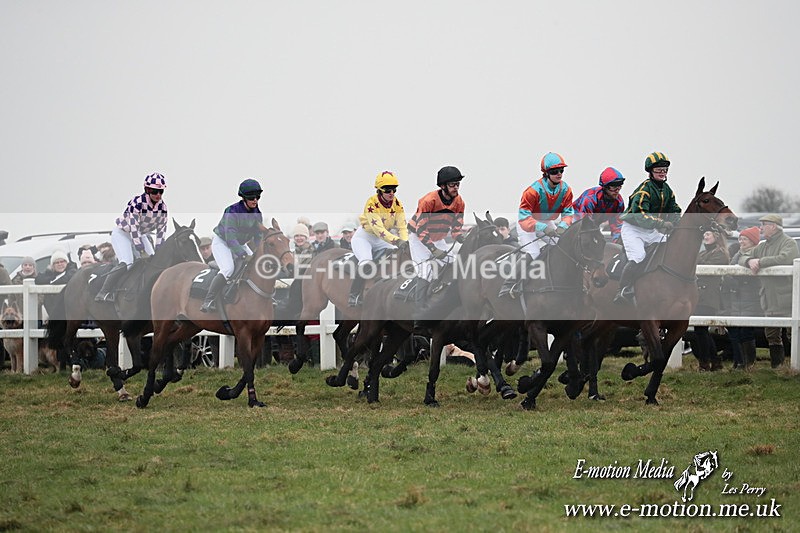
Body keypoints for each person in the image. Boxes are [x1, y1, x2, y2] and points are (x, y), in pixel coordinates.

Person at [500, 152, 575, 298]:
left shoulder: (566, 190)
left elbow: (568, 213)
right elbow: (524, 217)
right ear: (546, 173)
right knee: (533, 252)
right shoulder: (532, 191)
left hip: (546, 221)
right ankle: (509, 283)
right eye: (554, 171)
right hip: (526, 223)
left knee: (561, 246)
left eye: (561, 170)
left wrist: (563, 227)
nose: (559, 174)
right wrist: (543, 228)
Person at [614, 152, 682, 304]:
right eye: (658, 170)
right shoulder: (644, 190)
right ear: (651, 171)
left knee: (668, 251)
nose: (662, 173)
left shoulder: (667, 190)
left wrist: (678, 223)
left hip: (651, 231)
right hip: (634, 229)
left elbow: (675, 210)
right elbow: (640, 215)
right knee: (638, 257)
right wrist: (662, 223)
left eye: (664, 170)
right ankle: (622, 290)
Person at [407, 166, 465, 332]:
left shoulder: (459, 202)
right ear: (443, 186)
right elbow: (421, 229)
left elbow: (456, 227)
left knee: (456, 264)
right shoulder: (428, 201)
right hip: (419, 238)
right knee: (425, 271)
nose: (456, 188)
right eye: (453, 184)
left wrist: (459, 236)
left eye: (458, 184)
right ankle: (420, 316)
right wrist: (433, 250)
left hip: (438, 238)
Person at [95, 173, 168, 302]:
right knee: (127, 263)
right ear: (147, 190)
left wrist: (160, 250)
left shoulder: (163, 208)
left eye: (160, 191)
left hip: (141, 234)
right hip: (123, 233)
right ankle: (104, 291)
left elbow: (161, 232)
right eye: (154, 191)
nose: (158, 194)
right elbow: (133, 228)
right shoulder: (137, 203)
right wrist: (140, 248)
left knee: (153, 262)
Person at [739, 214, 800, 367]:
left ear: (773, 226)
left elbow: (784, 258)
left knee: (793, 333)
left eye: (763, 225)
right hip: (768, 297)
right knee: (772, 334)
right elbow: (742, 257)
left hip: (787, 297)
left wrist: (760, 262)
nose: (760, 228)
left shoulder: (789, 243)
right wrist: (749, 261)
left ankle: (795, 366)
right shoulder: (762, 246)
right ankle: (777, 366)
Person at [200, 179, 264, 313]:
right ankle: (208, 300)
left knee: (256, 265)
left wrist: (259, 252)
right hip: (223, 242)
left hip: (239, 243)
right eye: (251, 197)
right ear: (244, 198)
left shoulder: (257, 213)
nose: (255, 200)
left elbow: (258, 236)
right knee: (228, 269)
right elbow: (230, 239)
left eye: (257, 197)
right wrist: (244, 254)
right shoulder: (232, 211)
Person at [348, 171, 409, 306]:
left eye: (394, 189)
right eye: (387, 190)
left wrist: (405, 242)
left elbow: (402, 226)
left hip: (383, 239)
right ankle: (355, 294)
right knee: (366, 262)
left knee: (397, 254)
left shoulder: (397, 204)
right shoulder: (371, 203)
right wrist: (397, 241)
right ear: (379, 190)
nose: (391, 193)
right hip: (364, 238)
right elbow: (379, 230)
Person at [722, 226, 761, 369]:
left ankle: (748, 362)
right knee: (734, 331)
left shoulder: (756, 254)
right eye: (741, 238)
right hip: (735, 298)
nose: (741, 241)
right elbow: (730, 271)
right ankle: (739, 361)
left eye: (745, 239)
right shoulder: (737, 254)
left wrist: (734, 280)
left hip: (750, 297)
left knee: (746, 331)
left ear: (752, 241)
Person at [692, 230, 730, 371]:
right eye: (705, 234)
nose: (705, 237)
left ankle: (707, 362)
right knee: (700, 331)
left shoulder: (720, 253)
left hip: (709, 296)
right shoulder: (703, 253)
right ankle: (713, 361)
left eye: (708, 234)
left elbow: (700, 265)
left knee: (701, 330)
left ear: (716, 236)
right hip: (699, 296)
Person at [572, 167, 626, 243]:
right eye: (614, 186)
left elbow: (616, 226)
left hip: (594, 223)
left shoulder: (619, 202)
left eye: (620, 185)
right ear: (605, 187)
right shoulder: (590, 199)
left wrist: (617, 242)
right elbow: (584, 224)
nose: (617, 190)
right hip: (576, 220)